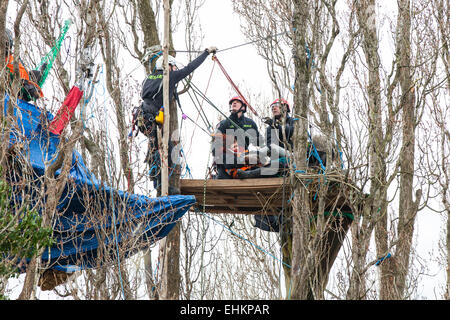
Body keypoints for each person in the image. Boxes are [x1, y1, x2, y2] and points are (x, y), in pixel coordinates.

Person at [134, 46, 217, 190]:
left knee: (159, 148)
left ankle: (160, 183)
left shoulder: (148, 78)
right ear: (168, 66)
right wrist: (205, 53)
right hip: (151, 117)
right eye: (173, 66)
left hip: (143, 115)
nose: (174, 69)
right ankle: (161, 185)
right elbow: (190, 67)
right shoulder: (169, 76)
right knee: (164, 151)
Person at [236, 98, 294, 179]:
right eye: (272, 107)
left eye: (276, 105)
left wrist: (276, 126)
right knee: (271, 162)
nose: (273, 108)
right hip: (277, 158)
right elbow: (269, 145)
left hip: (292, 155)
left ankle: (249, 174)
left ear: (285, 108)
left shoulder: (293, 121)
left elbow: (292, 131)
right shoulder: (270, 128)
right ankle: (245, 162)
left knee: (276, 158)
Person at [211, 96, 261, 179]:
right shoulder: (224, 124)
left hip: (244, 154)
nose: (234, 103)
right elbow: (215, 149)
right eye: (232, 102)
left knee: (258, 156)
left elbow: (258, 142)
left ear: (243, 107)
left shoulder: (250, 123)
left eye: (237, 102)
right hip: (228, 157)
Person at [4, 28, 45, 102]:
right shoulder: (4, 60)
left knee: (36, 74)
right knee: (23, 82)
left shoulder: (12, 57)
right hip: (17, 86)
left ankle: (32, 87)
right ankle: (31, 90)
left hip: (25, 79)